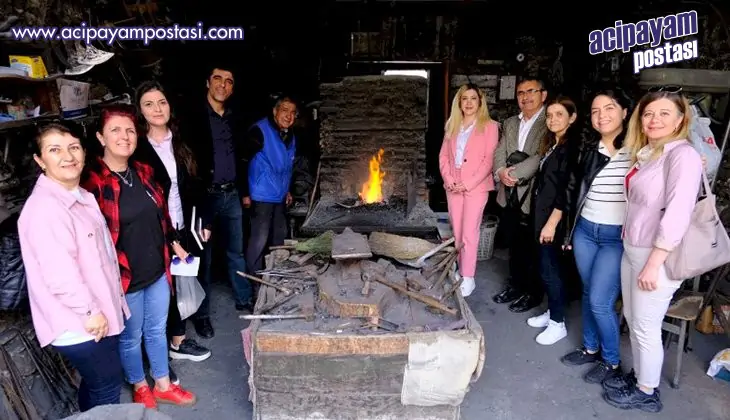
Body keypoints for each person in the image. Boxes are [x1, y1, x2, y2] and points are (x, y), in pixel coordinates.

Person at [82, 106, 196, 409]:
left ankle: (162, 384)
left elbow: (162, 216)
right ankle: (140, 386)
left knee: (157, 330)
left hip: (157, 269)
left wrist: (174, 242)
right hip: (124, 276)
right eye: (115, 130)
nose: (124, 136)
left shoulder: (143, 172)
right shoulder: (93, 183)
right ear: (101, 137)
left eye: (130, 130)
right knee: (131, 337)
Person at [602, 87, 702, 413]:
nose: (654, 119)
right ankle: (640, 376)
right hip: (634, 248)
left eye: (664, 113)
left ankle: (647, 392)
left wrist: (654, 263)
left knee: (646, 325)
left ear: (680, 119)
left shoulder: (683, 156)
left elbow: (678, 213)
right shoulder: (650, 153)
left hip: (656, 256)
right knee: (634, 319)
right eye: (648, 113)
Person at [18, 123, 127, 412]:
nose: (68, 156)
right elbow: (59, 273)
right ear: (40, 160)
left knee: (96, 384)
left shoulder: (79, 196)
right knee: (106, 387)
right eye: (55, 150)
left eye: (74, 147)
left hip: (95, 313)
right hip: (81, 322)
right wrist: (90, 312)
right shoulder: (46, 208)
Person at [134, 80, 212, 364]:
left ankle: (179, 338)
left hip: (186, 222)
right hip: (156, 228)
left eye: (162, 102)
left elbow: (200, 183)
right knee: (163, 286)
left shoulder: (182, 140)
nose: (157, 109)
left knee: (186, 278)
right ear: (140, 111)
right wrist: (170, 239)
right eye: (149, 104)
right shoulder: (137, 148)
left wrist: (205, 220)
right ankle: (169, 344)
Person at [560, 89, 632, 385]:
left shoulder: (640, 150)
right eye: (595, 110)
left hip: (616, 237)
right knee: (589, 292)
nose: (601, 116)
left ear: (625, 112)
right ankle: (590, 348)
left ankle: (611, 361)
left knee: (602, 301)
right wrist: (568, 231)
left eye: (609, 108)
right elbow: (572, 191)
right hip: (586, 232)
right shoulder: (587, 149)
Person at [186, 64, 253, 339]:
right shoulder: (193, 118)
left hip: (232, 193)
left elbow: (241, 158)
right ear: (208, 82)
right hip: (206, 196)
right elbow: (187, 162)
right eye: (217, 78)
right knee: (204, 257)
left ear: (232, 88)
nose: (222, 85)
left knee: (236, 251)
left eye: (228, 81)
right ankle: (202, 316)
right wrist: (195, 201)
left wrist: (244, 191)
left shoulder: (235, 119)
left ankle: (243, 299)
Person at [492, 78, 548, 312]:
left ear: (543, 95)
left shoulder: (549, 120)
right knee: (514, 242)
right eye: (521, 93)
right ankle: (515, 285)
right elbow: (500, 150)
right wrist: (500, 171)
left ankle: (532, 293)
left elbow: (540, 155)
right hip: (510, 193)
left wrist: (514, 175)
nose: (525, 97)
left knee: (533, 247)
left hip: (534, 194)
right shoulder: (510, 122)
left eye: (531, 91)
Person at [438, 84, 499, 296]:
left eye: (473, 98)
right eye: (465, 98)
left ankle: (468, 277)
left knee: (469, 232)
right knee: (457, 230)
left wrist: (468, 183)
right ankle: (459, 268)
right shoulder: (452, 125)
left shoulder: (490, 126)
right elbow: (443, 156)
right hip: (453, 185)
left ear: (480, 102)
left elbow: (489, 160)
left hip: (476, 186)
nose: (469, 102)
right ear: (459, 102)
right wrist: (448, 178)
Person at [526, 96, 577, 345]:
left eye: (559, 114)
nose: (553, 119)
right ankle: (552, 311)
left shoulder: (570, 149)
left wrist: (551, 223)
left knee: (551, 269)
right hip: (542, 214)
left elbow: (567, 191)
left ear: (572, 118)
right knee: (546, 266)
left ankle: (558, 324)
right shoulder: (553, 144)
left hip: (553, 218)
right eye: (549, 115)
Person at [242, 95, 297, 274]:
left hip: (279, 196)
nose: (289, 116)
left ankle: (276, 276)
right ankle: (255, 280)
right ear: (275, 111)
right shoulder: (259, 131)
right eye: (284, 110)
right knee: (259, 240)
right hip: (261, 196)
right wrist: (244, 193)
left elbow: (286, 166)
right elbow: (242, 161)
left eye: (293, 112)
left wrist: (287, 190)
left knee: (279, 238)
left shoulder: (289, 135)